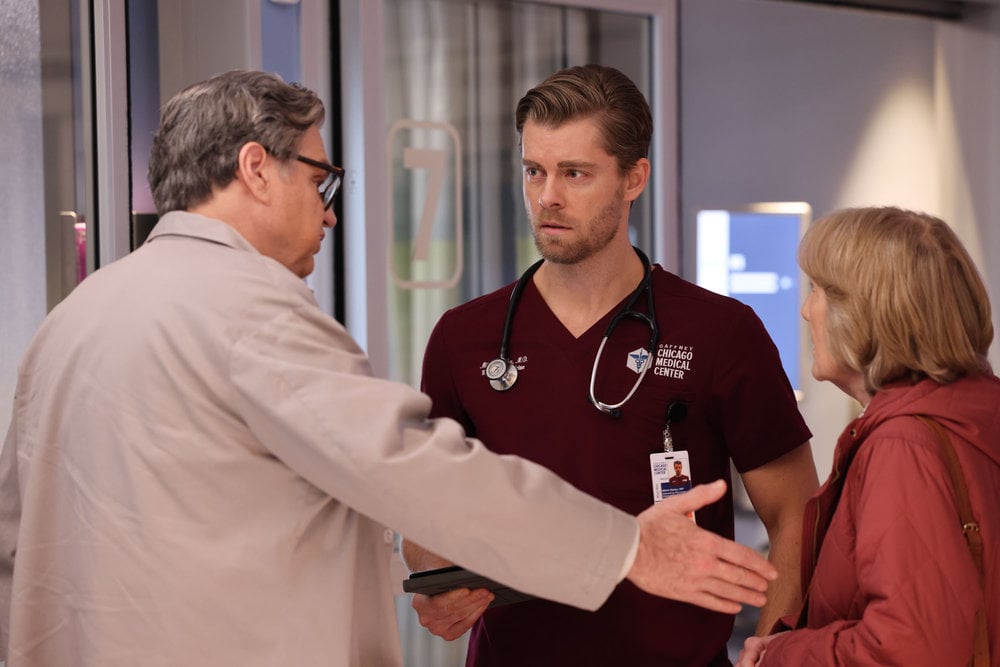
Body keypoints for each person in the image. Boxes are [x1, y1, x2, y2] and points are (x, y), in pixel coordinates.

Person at [0, 69, 780, 667]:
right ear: (255, 168)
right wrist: (628, 547)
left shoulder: (74, 320)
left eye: (574, 172)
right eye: (320, 179)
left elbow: (18, 540)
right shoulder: (249, 313)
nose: (330, 210)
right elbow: (416, 471)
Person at [401, 64, 819, 666]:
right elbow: (424, 519)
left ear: (634, 178)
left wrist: (769, 647)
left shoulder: (720, 332)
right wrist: (442, 579)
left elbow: (794, 513)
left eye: (575, 173)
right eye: (534, 171)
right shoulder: (464, 338)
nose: (548, 196)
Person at [736, 206, 1000, 666]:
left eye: (816, 291)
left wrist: (783, 654)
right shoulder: (969, 417)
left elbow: (912, 649)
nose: (805, 310)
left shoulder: (904, 446)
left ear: (861, 314)